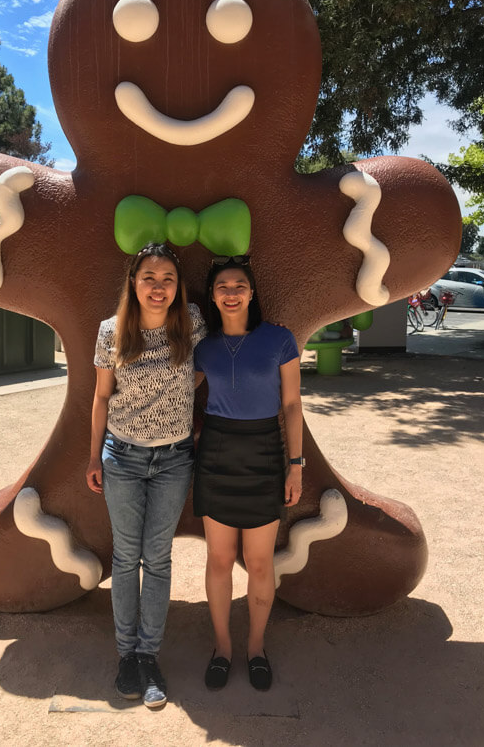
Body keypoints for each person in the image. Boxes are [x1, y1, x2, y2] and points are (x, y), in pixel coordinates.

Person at [86, 243, 206, 709]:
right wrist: (93, 457)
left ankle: (148, 655)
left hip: (175, 459)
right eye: (149, 278)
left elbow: (200, 371)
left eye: (168, 279)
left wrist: (176, 391)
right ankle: (125, 657)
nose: (159, 287)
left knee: (157, 560)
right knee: (124, 558)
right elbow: (100, 397)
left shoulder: (191, 322)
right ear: (133, 283)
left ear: (178, 287)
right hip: (123, 458)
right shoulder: (110, 332)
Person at [193, 256, 304, 691]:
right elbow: (175, 388)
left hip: (264, 452)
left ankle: (255, 647)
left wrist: (295, 466)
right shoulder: (203, 347)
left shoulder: (279, 339)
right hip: (216, 453)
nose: (232, 292)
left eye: (240, 284)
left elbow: (292, 405)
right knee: (219, 560)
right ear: (213, 296)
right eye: (223, 285)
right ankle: (222, 648)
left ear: (252, 293)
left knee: (259, 563)